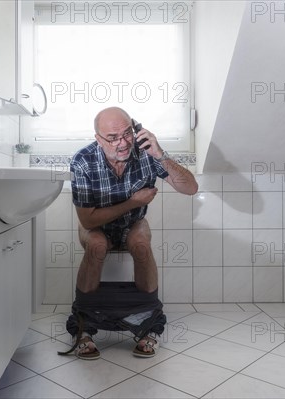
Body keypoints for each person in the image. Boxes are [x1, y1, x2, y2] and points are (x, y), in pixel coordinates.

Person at [69, 106, 198, 359]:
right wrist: (133, 202)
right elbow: (87, 218)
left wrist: (160, 154)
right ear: (99, 139)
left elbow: (191, 188)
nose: (123, 142)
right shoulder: (82, 160)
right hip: (96, 224)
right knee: (97, 246)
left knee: (140, 243)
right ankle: (84, 326)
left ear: (135, 128)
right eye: (113, 137)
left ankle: (148, 325)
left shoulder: (146, 152)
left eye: (127, 133)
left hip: (134, 222)